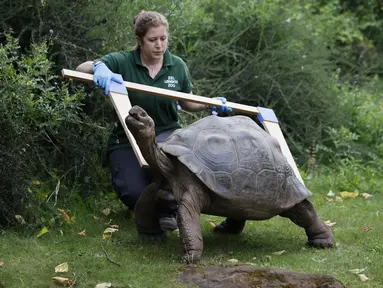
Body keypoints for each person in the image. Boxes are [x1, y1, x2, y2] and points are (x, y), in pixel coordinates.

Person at [76, 11, 231, 232]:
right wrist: (99, 67)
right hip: (128, 137)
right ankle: (148, 210)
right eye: (152, 40)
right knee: (134, 192)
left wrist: (209, 104)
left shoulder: (177, 66)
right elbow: (82, 68)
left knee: (178, 179)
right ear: (139, 40)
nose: (159, 45)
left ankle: (168, 211)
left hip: (169, 135)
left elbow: (187, 102)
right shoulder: (123, 61)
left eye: (163, 38)